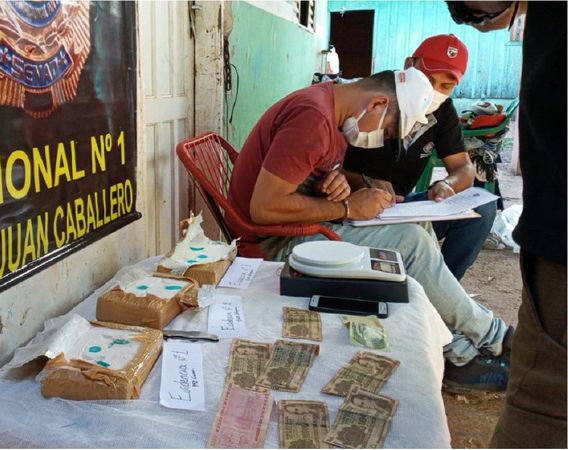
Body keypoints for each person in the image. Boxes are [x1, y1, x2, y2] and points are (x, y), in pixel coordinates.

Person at [227, 67, 512, 391]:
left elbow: (306, 174)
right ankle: (490, 338)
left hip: (301, 225)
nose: (383, 139)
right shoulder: (313, 119)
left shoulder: (329, 107)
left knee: (415, 222)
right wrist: (347, 207)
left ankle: (452, 345)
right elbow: (262, 209)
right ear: (377, 104)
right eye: (390, 131)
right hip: (276, 242)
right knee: (411, 242)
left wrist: (343, 185)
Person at [447, 1, 566, 447]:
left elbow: (460, 167)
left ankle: (467, 335)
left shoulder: (437, 110)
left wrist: (449, 186)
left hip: (559, 232)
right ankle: (477, 337)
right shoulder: (323, 115)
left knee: (480, 211)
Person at [343, 34, 496, 281]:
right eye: (427, 78)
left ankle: (441, 290)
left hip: (400, 209)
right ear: (408, 66)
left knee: (483, 207)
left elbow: (463, 168)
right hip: (354, 210)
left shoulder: (443, 110)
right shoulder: (373, 95)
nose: (433, 91)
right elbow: (325, 170)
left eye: (445, 86)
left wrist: (447, 185)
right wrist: (363, 182)